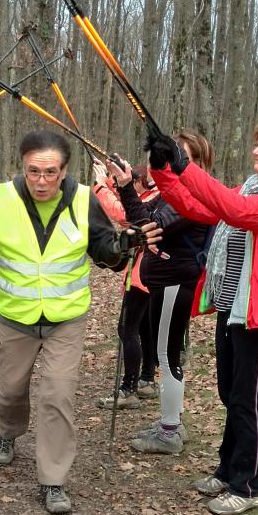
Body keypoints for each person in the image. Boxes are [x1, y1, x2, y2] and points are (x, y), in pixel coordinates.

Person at [0, 130, 159, 515]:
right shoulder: (4, 198)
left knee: (57, 395)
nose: (41, 181)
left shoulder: (82, 200)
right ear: (22, 167)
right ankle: (8, 434)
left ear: (64, 171)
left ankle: (53, 480)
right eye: (33, 171)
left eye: (50, 172)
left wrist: (125, 245)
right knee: (12, 390)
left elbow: (105, 253)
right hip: (16, 317)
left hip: (66, 318)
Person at [146, 111, 258, 514]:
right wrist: (164, 171)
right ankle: (228, 469)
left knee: (247, 396)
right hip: (233, 303)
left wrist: (185, 164)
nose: (257, 148)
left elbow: (236, 211)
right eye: (257, 141)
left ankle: (251, 486)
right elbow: (200, 205)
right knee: (230, 391)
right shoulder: (253, 186)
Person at [108, 129, 214, 455]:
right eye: (172, 153)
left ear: (197, 162)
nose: (174, 161)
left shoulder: (192, 195)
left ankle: (169, 431)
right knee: (166, 354)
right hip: (163, 282)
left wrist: (127, 191)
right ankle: (172, 421)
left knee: (167, 357)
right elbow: (142, 220)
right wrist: (127, 185)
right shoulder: (174, 191)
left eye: (182, 155)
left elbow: (151, 226)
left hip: (174, 283)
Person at [92, 160, 158, 409]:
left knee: (127, 329)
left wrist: (100, 188)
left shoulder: (163, 193)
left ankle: (129, 388)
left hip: (145, 273)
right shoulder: (155, 191)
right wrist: (108, 178)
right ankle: (146, 379)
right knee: (143, 328)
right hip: (147, 271)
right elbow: (127, 198)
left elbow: (126, 215)